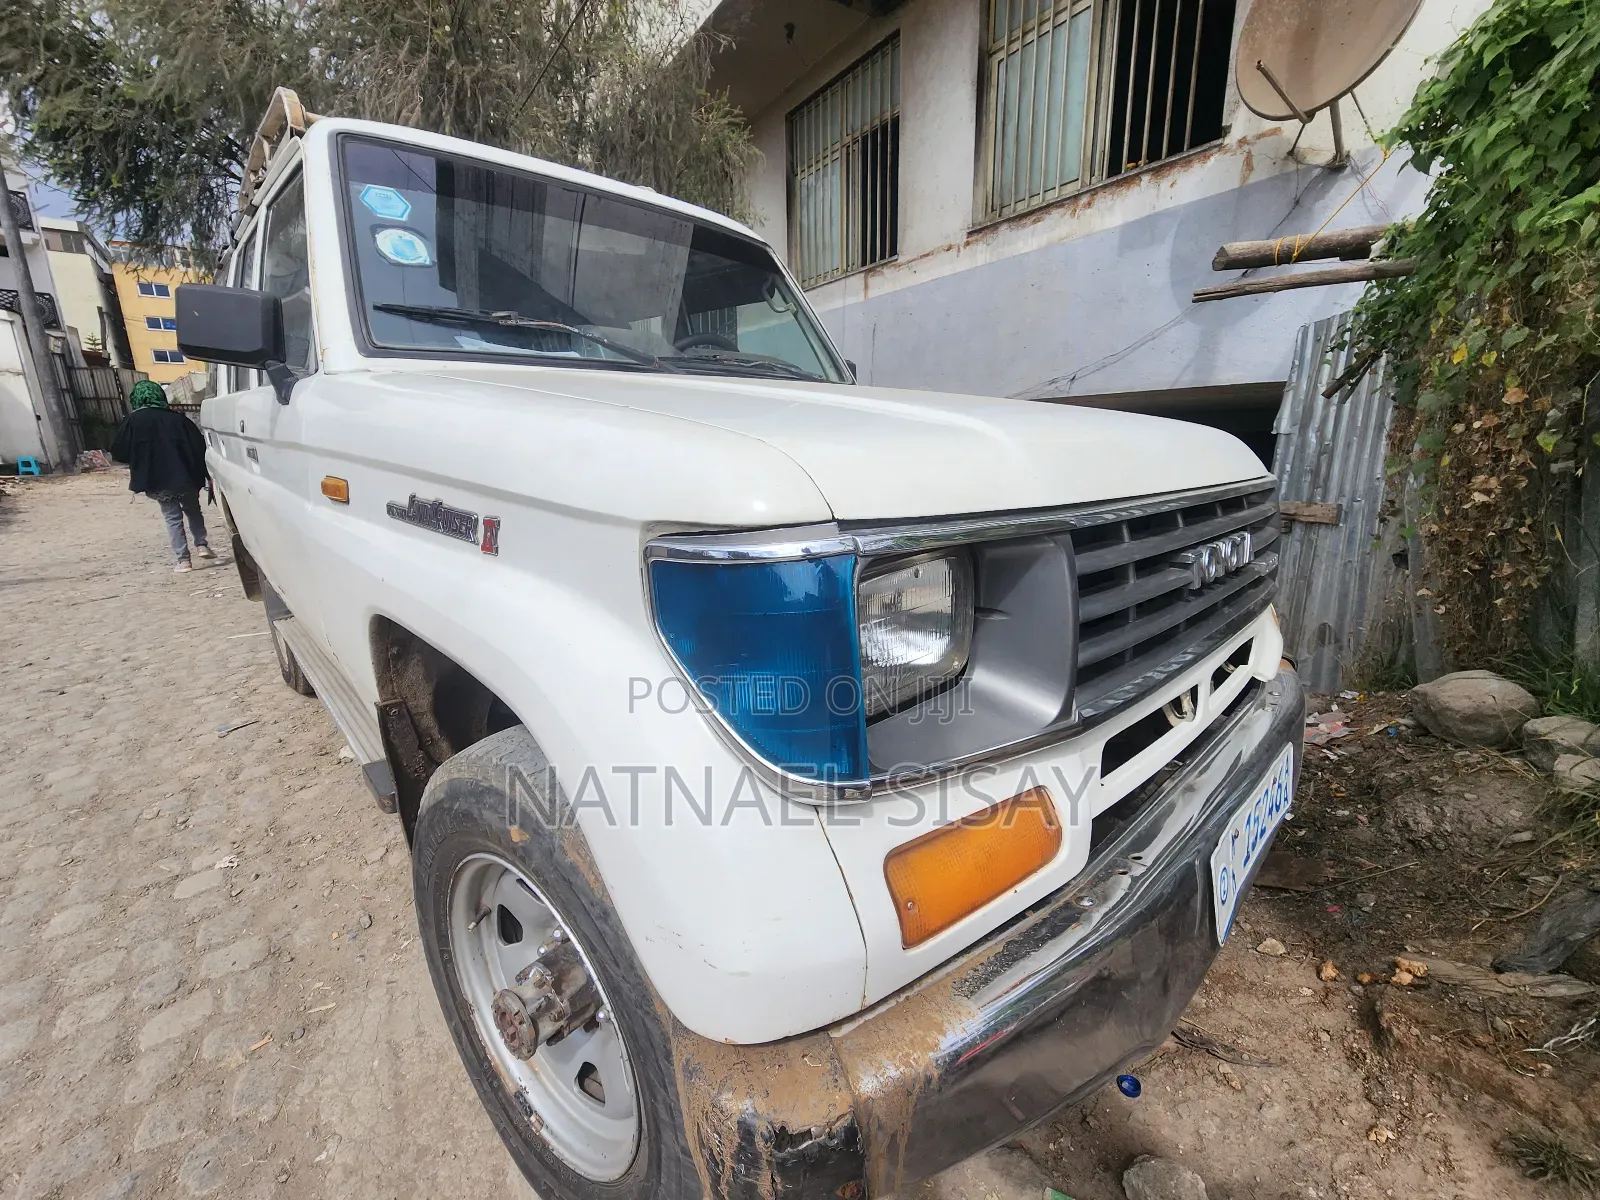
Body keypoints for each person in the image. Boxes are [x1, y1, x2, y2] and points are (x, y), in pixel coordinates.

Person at [110, 380, 215, 572]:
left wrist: (138, 459)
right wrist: (205, 473)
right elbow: (199, 446)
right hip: (186, 476)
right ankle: (202, 545)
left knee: (172, 517)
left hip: (157, 479)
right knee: (193, 510)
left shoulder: (133, 422)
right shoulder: (178, 419)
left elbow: (119, 451)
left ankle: (184, 561)